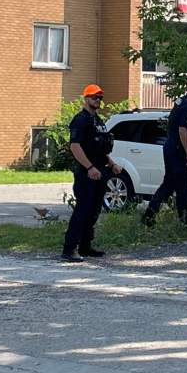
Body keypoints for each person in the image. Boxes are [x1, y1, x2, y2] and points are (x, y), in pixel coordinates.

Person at [62, 84, 122, 263]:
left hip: (100, 170)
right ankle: (69, 249)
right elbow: (74, 146)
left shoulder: (98, 121)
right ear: (86, 98)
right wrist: (89, 168)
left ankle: (85, 247)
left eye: (99, 98)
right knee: (83, 210)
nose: (97, 100)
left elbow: (100, 148)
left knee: (94, 210)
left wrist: (112, 164)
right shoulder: (80, 120)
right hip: (86, 172)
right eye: (94, 97)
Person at [142, 82, 187, 227]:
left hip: (172, 147)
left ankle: (156, 217)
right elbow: (183, 130)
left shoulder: (182, 101)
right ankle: (181, 220)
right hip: (177, 149)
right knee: (179, 186)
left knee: (173, 185)